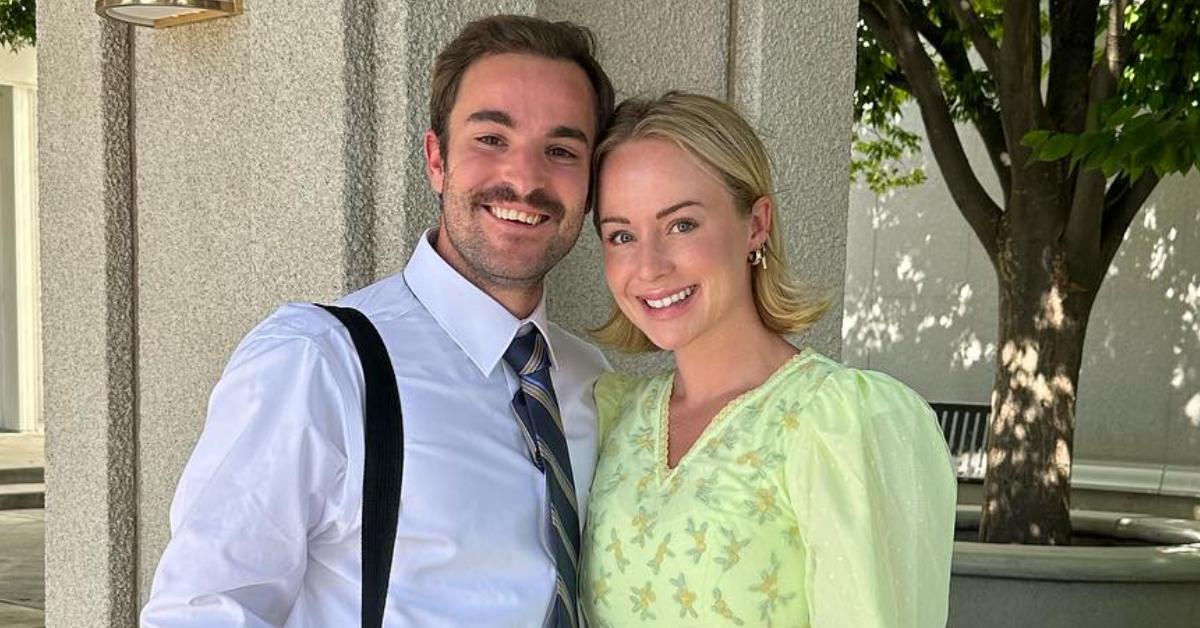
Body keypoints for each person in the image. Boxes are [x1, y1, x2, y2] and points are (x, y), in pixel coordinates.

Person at [141, 15, 615, 627]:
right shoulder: (321, 362)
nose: (524, 179)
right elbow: (202, 611)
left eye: (560, 151)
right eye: (491, 139)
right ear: (436, 159)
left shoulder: (590, 382)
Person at [579, 92, 957, 627]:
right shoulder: (616, 418)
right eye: (621, 235)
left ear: (755, 224)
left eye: (682, 225)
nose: (650, 265)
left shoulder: (840, 422)